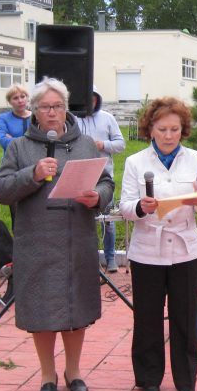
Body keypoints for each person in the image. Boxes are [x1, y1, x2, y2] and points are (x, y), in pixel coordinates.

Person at [0, 77, 113, 391]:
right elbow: (0, 190)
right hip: (37, 242)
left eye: (57, 106)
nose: (51, 113)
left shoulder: (86, 143)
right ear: (33, 110)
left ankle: (73, 372)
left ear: (65, 108)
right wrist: (31, 174)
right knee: (42, 312)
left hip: (77, 241)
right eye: (45, 107)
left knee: (76, 310)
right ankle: (48, 375)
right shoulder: (19, 147)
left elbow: (106, 183)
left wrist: (97, 197)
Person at [119, 96, 197, 391]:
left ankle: (185, 379)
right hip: (148, 251)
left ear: (183, 129)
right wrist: (141, 208)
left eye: (174, 129)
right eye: (162, 130)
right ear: (150, 130)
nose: (169, 136)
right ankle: (148, 378)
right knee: (147, 317)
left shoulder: (194, 158)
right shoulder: (136, 163)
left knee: (184, 316)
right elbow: (125, 207)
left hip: (185, 250)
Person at [77, 86, 125, 273]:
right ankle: (90, 260)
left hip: (105, 179)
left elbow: (121, 144)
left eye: (94, 99)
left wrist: (102, 144)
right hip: (79, 178)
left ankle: (110, 258)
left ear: (98, 99)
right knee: (85, 223)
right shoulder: (71, 119)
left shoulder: (107, 118)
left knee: (108, 221)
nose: (90, 102)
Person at [0, 84, 31, 150]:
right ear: (9, 102)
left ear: (27, 98)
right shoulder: (3, 119)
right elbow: (3, 142)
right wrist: (30, 142)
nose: (20, 101)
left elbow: (41, 141)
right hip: (11, 159)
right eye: (15, 98)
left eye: (23, 96)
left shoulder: (36, 117)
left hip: (33, 159)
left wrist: (12, 139)